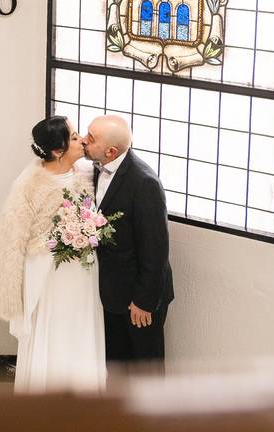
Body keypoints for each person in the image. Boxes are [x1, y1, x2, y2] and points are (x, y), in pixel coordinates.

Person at [0, 116, 106, 393]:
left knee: (81, 327)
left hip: (83, 273)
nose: (82, 141)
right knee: (54, 328)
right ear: (57, 150)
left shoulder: (87, 173)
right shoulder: (30, 185)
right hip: (49, 275)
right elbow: (13, 240)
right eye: (75, 136)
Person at [82, 115, 174, 370]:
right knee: (116, 365)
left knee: (145, 366)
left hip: (139, 296)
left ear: (111, 151)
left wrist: (143, 302)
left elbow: (155, 250)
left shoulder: (144, 183)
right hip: (111, 293)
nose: (84, 141)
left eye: (91, 138)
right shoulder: (94, 168)